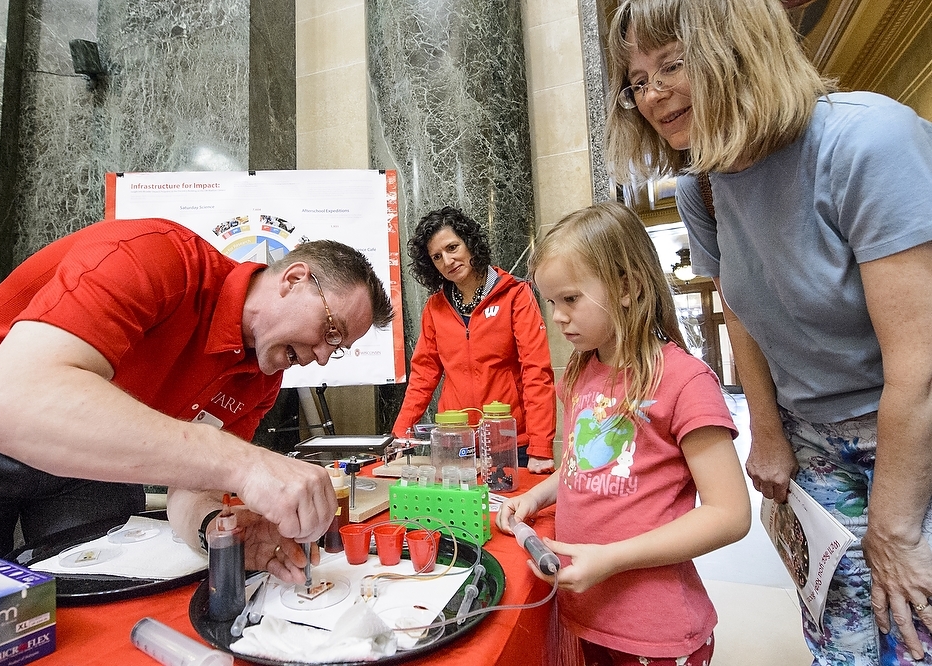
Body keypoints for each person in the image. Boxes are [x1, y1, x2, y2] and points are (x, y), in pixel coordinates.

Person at [604, 0, 932, 663]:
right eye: (638, 80)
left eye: (672, 64)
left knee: (913, 630)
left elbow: (919, 367)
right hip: (814, 437)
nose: (654, 94)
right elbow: (742, 312)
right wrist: (769, 432)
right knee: (840, 639)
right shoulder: (704, 187)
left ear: (741, 49)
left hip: (912, 429)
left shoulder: (869, 141)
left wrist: (893, 530)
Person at [0, 217, 394, 583]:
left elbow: (191, 484)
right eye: (330, 331)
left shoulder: (259, 379)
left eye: (339, 348)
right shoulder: (157, 255)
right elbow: (7, 404)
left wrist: (216, 526)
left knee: (94, 596)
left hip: (95, 464)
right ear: (293, 278)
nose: (322, 357)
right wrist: (246, 463)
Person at [496, 203, 751, 666]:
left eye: (570, 299)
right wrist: (537, 498)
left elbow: (729, 514)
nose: (557, 317)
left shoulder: (684, 381)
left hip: (655, 630)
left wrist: (611, 558)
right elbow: (583, 468)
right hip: (587, 615)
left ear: (628, 287)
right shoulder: (578, 374)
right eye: (552, 302)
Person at [391, 206, 557, 472]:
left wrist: (540, 447)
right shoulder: (435, 308)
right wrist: (400, 434)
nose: (447, 261)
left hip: (512, 443)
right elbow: (423, 376)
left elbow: (537, 372)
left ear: (470, 243)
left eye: (453, 247)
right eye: (436, 256)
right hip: (456, 442)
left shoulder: (515, 294)